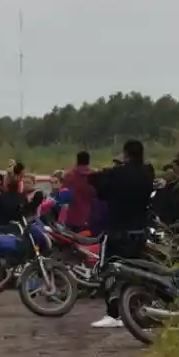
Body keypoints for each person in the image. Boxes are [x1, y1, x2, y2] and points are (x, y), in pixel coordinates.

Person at [88, 139, 154, 328]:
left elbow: (95, 183)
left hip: (117, 231)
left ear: (125, 155)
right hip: (139, 232)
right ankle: (137, 312)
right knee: (138, 272)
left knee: (108, 270)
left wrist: (106, 172)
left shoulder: (116, 175)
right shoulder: (147, 174)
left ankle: (113, 314)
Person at [64, 151, 95, 232]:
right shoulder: (95, 176)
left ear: (77, 161)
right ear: (88, 161)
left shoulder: (69, 176)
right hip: (91, 218)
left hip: (72, 218)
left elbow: (64, 198)